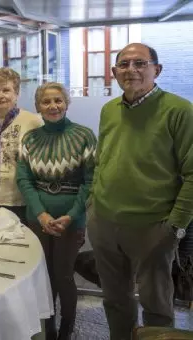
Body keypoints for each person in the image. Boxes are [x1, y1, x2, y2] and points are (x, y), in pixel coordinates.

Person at [88, 43, 193, 340]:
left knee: (157, 304)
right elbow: (103, 159)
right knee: (115, 299)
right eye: (124, 64)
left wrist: (176, 226)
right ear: (113, 72)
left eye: (140, 63)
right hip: (105, 222)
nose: (131, 70)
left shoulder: (179, 110)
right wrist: (92, 202)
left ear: (156, 70)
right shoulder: (109, 110)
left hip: (153, 227)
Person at [16, 82, 97, 340]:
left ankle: (66, 330)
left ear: (66, 103)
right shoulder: (29, 139)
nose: (53, 106)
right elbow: (24, 180)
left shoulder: (84, 135)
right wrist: (40, 214)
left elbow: (90, 180)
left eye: (58, 100)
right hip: (37, 218)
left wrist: (72, 215)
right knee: (44, 277)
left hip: (70, 219)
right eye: (46, 102)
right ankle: (48, 329)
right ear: (38, 107)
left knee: (64, 276)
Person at [0, 67, 43, 224]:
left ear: (16, 93)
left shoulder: (33, 121)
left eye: (6, 90)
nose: (1, 95)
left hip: (21, 202)